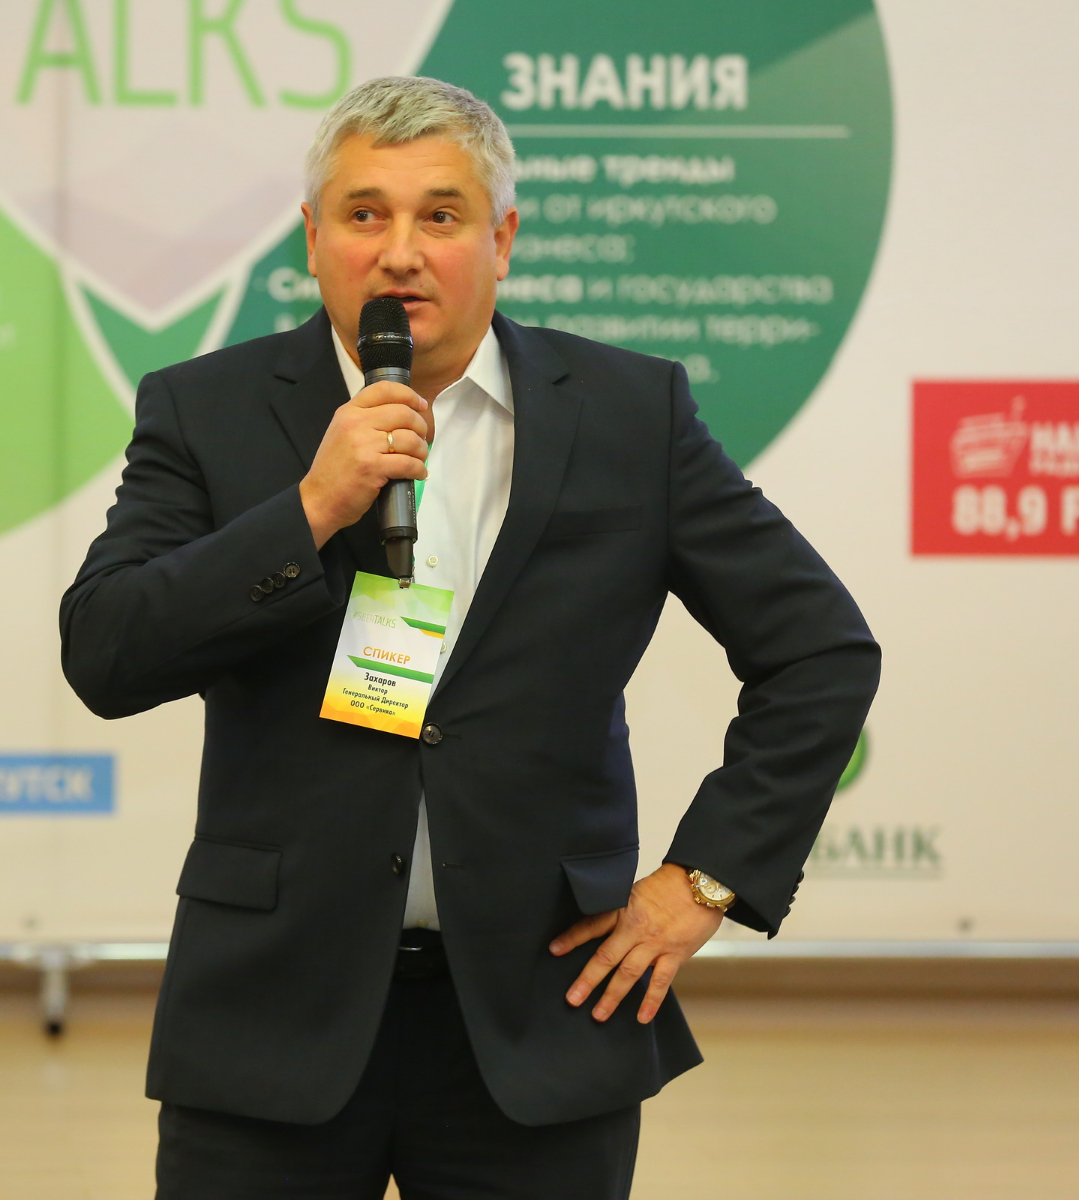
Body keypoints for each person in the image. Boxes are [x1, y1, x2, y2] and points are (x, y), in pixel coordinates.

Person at [61, 75, 879, 1199]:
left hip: (543, 1014)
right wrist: (310, 510)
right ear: (312, 239)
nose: (400, 253)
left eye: (440, 216)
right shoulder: (206, 408)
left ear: (502, 239)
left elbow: (820, 649)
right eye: (364, 214)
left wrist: (706, 880)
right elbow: (106, 652)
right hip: (271, 1013)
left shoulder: (630, 414)